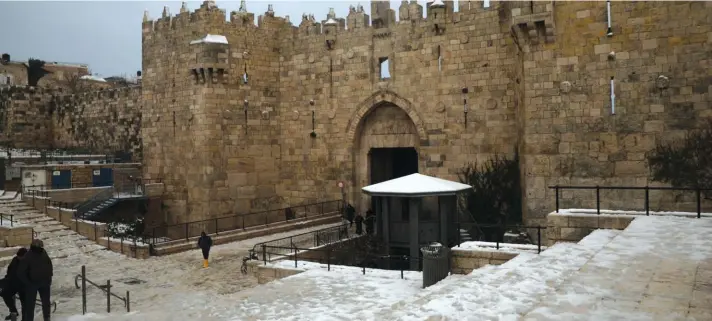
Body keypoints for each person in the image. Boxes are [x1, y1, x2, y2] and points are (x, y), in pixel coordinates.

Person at [18, 239, 52, 321]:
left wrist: (49, 278)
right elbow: (20, 272)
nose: (41, 248)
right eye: (40, 246)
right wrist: (28, 283)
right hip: (32, 284)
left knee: (46, 303)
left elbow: (49, 264)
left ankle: (47, 318)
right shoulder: (28, 256)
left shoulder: (43, 253)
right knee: (30, 305)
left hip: (44, 282)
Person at [1, 248, 27, 321]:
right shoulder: (15, 259)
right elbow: (9, 270)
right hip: (13, 283)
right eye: (18, 256)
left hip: (24, 286)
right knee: (4, 293)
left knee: (25, 302)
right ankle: (13, 311)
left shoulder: (29, 262)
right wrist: (7, 278)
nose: (18, 258)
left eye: (20, 257)